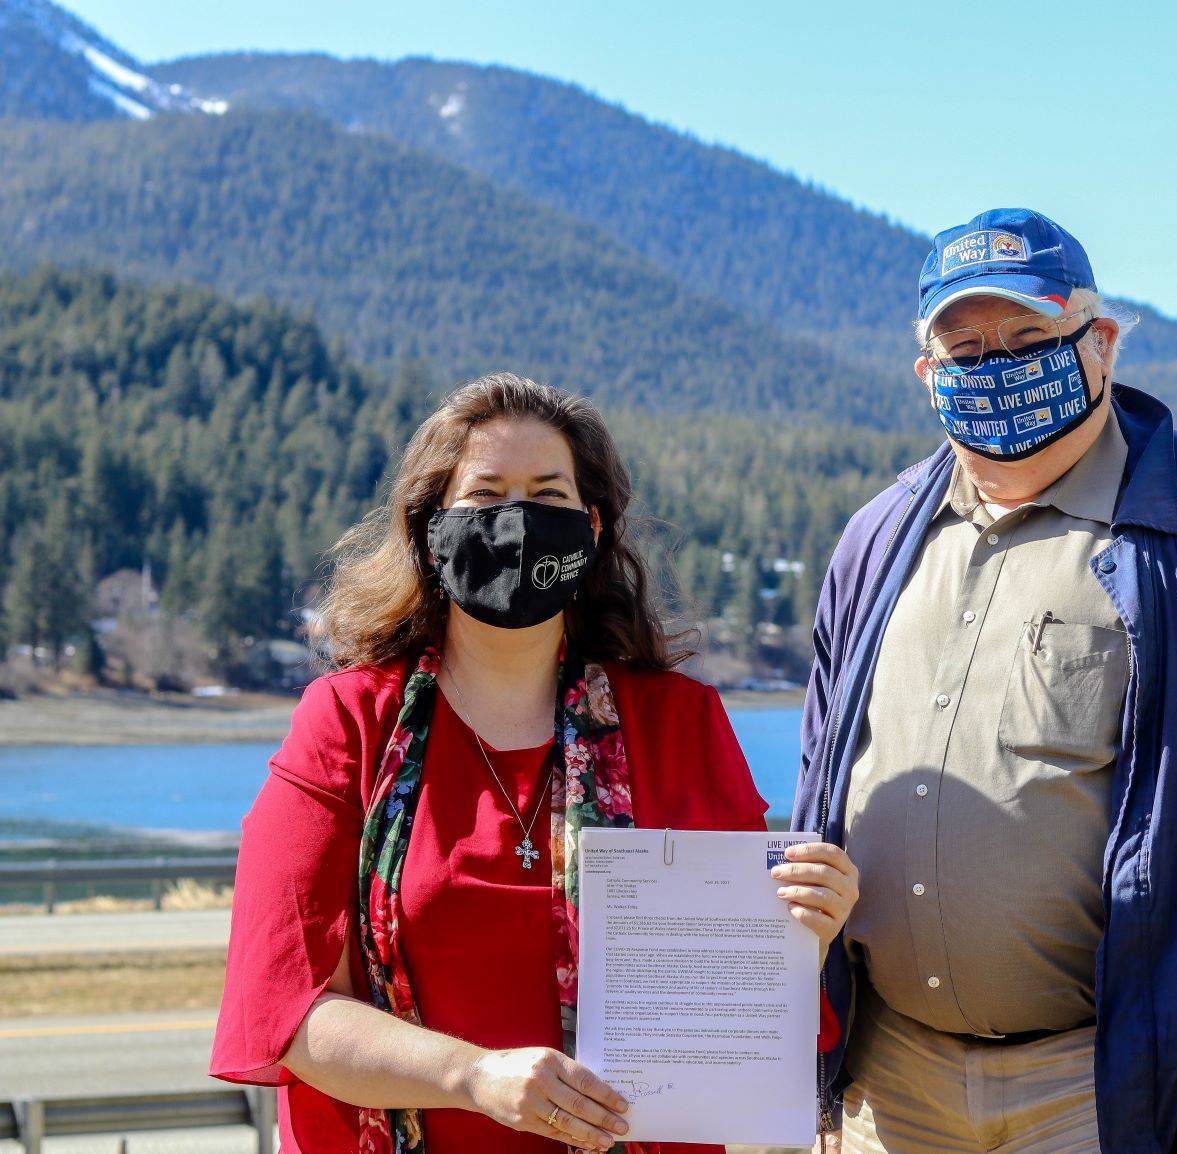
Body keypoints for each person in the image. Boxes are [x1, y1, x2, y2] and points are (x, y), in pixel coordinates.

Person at [795, 210, 1177, 1154]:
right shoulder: (876, 539)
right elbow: (823, 791)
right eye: (966, 348)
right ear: (928, 375)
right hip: (889, 1086)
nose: (997, 367)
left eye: (1029, 338)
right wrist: (816, 1065)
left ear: (1100, 345)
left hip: (1106, 1092)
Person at [210, 372, 855, 1154]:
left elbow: (740, 1005)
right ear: (427, 526)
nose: (516, 522)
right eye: (485, 497)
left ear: (590, 527)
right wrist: (473, 1078)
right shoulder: (349, 722)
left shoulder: (678, 723)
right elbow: (288, 1009)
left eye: (548, 497)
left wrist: (802, 931)